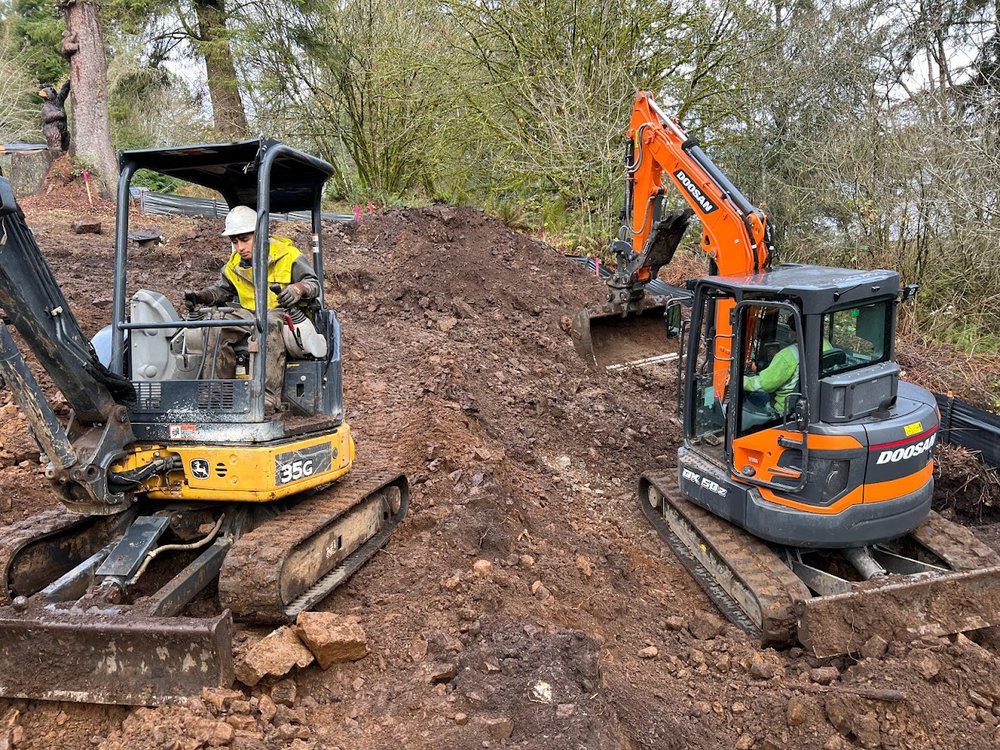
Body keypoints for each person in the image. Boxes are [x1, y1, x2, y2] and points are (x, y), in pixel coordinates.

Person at [184, 205, 326, 412]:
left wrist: (297, 289)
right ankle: (217, 394)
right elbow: (221, 291)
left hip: (281, 311)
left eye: (244, 239)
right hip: (248, 314)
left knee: (266, 323)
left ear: (259, 234)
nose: (240, 247)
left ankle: (267, 398)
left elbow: (313, 284)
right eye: (235, 241)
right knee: (216, 325)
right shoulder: (234, 265)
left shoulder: (288, 256)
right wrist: (201, 296)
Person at [743, 315, 801, 419]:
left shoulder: (788, 355)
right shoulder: (825, 344)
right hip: (806, 402)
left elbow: (764, 384)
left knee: (746, 403)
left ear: (795, 332)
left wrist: (739, 381)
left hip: (784, 410)